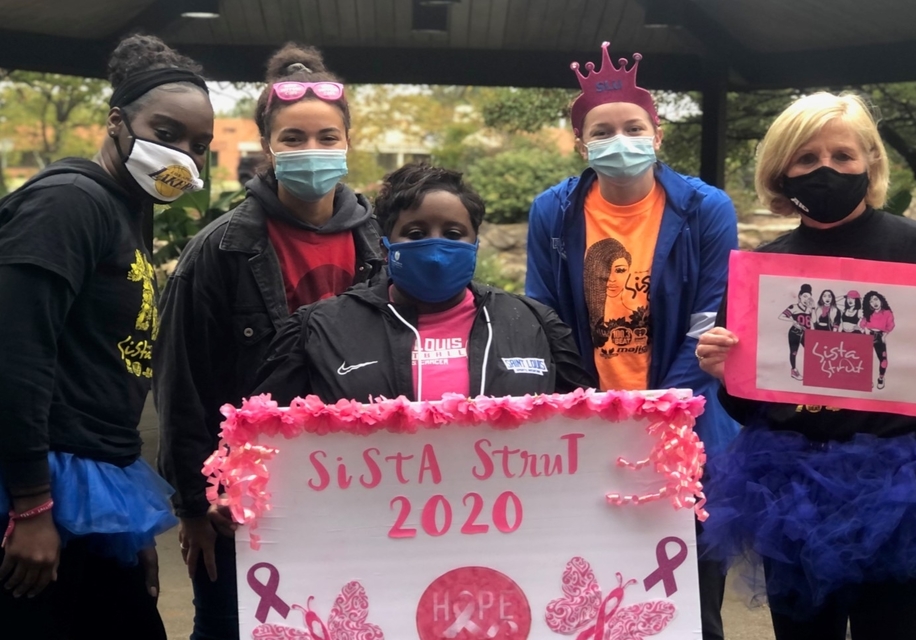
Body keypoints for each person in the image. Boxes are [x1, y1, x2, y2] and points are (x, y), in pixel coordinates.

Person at [695, 92, 916, 640]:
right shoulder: (762, 269)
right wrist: (727, 372)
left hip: (908, 490)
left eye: (843, 156)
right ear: (781, 171)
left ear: (871, 164)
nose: (826, 170)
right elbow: (748, 406)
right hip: (791, 491)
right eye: (807, 158)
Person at [154, 43, 382, 640]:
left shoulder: (382, 244)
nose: (313, 151)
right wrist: (192, 504)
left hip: (356, 486)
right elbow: (182, 383)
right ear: (267, 145)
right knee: (236, 625)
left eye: (328, 137)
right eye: (295, 138)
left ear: (348, 142)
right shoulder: (218, 249)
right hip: (242, 501)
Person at [0, 34, 214, 638]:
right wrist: (33, 507)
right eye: (167, 132)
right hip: (44, 494)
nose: (183, 155)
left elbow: (103, 365)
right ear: (117, 121)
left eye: (200, 146)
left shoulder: (124, 209)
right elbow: (17, 356)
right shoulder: (68, 204)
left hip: (98, 485)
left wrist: (125, 528)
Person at [525, 42, 739, 640]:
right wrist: (595, 410)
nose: (620, 140)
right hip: (588, 427)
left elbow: (709, 317)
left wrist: (659, 413)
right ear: (581, 143)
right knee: (593, 587)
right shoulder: (553, 212)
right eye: (603, 130)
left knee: (692, 595)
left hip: (687, 427)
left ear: (657, 133)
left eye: (633, 126)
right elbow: (545, 316)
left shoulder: (705, 210)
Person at [255, 163, 594, 405]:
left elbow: (584, 426)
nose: (435, 249)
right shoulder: (320, 328)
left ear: (476, 242)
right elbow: (264, 428)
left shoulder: (536, 324)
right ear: (386, 245)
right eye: (415, 234)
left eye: (453, 234)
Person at [779, 284, 814, 379]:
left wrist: (813, 308)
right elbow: (781, 316)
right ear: (800, 296)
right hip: (795, 332)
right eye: (805, 296)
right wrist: (793, 321)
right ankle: (794, 370)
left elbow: (813, 321)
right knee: (794, 352)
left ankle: (811, 371)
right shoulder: (794, 307)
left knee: (812, 351)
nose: (806, 299)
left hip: (806, 333)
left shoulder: (809, 309)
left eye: (809, 297)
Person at [860, 290, 894, 388]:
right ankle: (867, 379)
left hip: (880, 336)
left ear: (881, 300)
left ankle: (881, 378)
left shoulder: (887, 313)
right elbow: (862, 323)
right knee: (865, 359)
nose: (874, 303)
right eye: (871, 301)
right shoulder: (868, 313)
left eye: (875, 299)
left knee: (883, 359)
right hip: (868, 335)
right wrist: (865, 329)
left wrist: (884, 335)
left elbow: (891, 325)